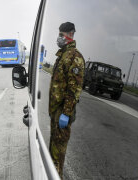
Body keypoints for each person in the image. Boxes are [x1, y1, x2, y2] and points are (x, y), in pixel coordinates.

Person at [49, 22, 85, 179]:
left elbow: (74, 88)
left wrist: (66, 113)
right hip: (56, 112)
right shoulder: (63, 54)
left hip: (62, 113)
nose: (59, 38)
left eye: (62, 35)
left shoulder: (75, 57)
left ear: (71, 34)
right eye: (59, 34)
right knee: (53, 152)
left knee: (57, 156)